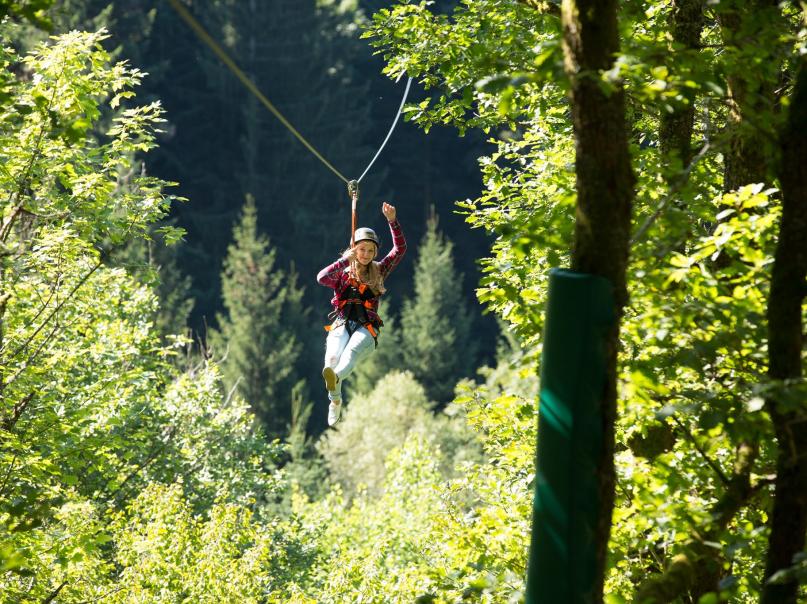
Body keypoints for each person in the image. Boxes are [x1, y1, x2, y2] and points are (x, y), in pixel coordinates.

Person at [316, 202, 406, 426]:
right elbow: (321, 278)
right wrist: (344, 261)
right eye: (361, 250)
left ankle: (335, 379)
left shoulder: (380, 269)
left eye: (370, 250)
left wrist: (392, 221)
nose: (365, 254)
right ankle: (335, 400)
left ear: (375, 252)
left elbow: (400, 249)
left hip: (366, 327)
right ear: (354, 250)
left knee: (352, 352)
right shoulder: (343, 273)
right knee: (332, 359)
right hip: (342, 322)